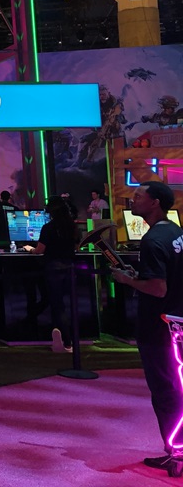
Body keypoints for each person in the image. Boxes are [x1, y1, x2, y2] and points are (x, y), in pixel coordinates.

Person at [110, 181, 183, 472]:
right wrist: (139, 275)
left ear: (155, 203)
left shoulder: (152, 240)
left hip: (159, 326)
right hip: (177, 321)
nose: (132, 199)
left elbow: (158, 287)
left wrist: (128, 280)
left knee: (166, 389)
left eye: (139, 196)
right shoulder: (175, 232)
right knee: (176, 384)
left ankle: (177, 453)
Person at [23, 196, 78, 352]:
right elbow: (77, 247)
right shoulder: (72, 226)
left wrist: (29, 249)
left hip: (53, 268)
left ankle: (67, 343)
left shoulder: (49, 227)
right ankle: (64, 339)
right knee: (65, 305)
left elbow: (40, 250)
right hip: (70, 268)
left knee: (57, 306)